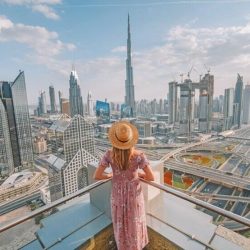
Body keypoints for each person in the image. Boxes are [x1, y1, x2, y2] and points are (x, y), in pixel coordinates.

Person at [94, 121, 155, 250]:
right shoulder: (139, 156)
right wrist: (138, 175)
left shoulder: (109, 155)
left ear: (114, 140)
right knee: (135, 224)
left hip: (117, 196)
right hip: (134, 197)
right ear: (131, 140)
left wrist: (110, 175)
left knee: (120, 224)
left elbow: (97, 176)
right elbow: (151, 177)